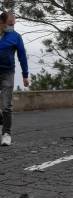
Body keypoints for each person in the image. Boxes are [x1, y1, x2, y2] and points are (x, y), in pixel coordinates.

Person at [0, 12, 29, 146]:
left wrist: (25, 75)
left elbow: (22, 56)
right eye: (10, 23)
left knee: (7, 106)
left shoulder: (16, 37)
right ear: (2, 22)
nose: (13, 25)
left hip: (7, 73)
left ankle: (6, 134)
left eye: (14, 23)